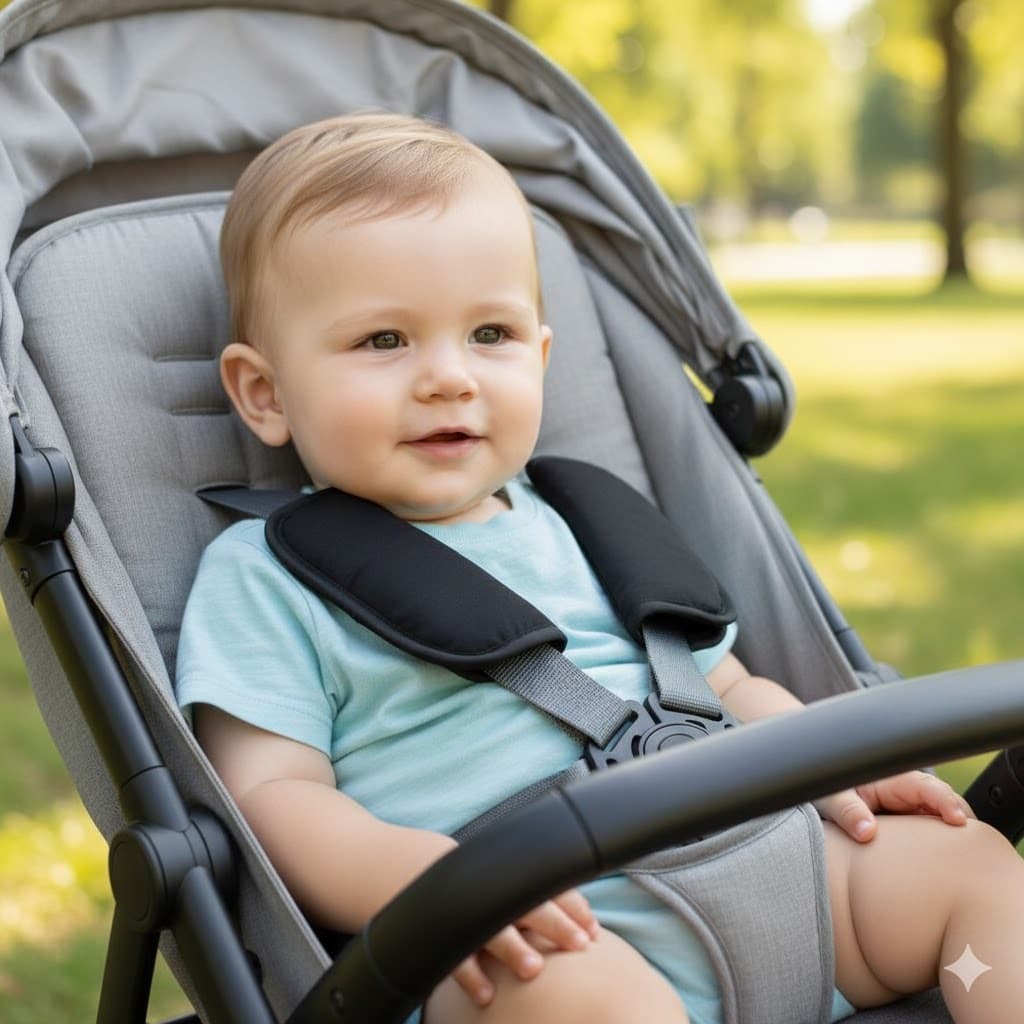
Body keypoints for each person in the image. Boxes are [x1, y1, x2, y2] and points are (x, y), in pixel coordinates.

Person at [176, 112, 1024, 1024]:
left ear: (541, 356)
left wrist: (825, 759)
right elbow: (271, 794)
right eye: (384, 341)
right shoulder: (266, 577)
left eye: (490, 334)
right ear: (264, 393)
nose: (449, 378)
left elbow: (725, 681)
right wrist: (428, 884)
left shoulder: (592, 520)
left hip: (767, 861)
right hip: (531, 928)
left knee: (971, 866)